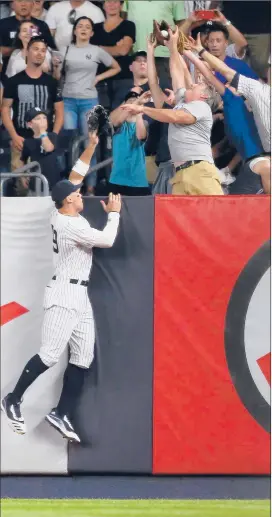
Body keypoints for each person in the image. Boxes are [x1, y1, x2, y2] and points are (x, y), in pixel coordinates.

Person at [1, 133, 122, 443]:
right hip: (64, 294)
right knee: (51, 354)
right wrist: (114, 215)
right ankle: (13, 398)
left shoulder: (60, 211)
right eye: (78, 194)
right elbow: (107, 240)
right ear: (69, 200)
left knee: (83, 358)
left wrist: (92, 146)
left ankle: (61, 412)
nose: (82, 195)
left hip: (78, 296)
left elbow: (73, 177)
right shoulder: (72, 224)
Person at [122, 28, 223, 196]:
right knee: (176, 220)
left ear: (204, 95)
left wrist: (143, 108)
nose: (193, 83)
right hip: (180, 172)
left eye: (198, 85)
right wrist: (172, 47)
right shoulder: (184, 101)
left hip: (199, 170)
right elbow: (177, 71)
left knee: (214, 217)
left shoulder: (201, 107)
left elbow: (176, 116)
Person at [184, 37, 270, 194]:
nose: (228, 86)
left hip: (260, 163)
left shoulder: (235, 99)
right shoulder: (236, 105)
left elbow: (211, 76)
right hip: (250, 163)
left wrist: (191, 54)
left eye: (231, 85)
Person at [194, 34, 271, 157]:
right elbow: (222, 72)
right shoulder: (257, 90)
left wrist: (199, 51)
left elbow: (219, 74)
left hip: (259, 157)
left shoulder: (242, 95)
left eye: (218, 40)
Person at [1, 36, 64, 175]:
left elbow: (59, 111)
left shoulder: (52, 83)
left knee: (46, 183)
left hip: (44, 141)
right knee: (19, 185)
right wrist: (13, 135)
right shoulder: (13, 81)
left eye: (43, 50)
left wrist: (53, 135)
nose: (39, 53)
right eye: (36, 49)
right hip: (21, 140)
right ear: (27, 52)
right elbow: (5, 109)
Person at [123, 0, 185, 84]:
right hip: (136, 56)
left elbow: (181, 25)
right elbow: (122, 18)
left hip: (165, 56)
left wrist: (173, 45)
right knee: (138, 95)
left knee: (165, 94)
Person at [91, 0, 136, 109]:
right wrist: (115, 47)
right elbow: (90, 52)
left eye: (115, 2)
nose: (112, 5)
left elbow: (123, 50)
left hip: (123, 78)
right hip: (100, 79)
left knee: (121, 115)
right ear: (103, 6)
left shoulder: (128, 25)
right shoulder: (95, 28)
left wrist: (99, 49)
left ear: (121, 6)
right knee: (101, 117)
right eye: (108, 2)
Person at [0, 0, 56, 79]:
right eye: (19, 1)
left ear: (33, 4)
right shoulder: (2, 25)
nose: (23, 4)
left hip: (38, 77)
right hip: (8, 76)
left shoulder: (41, 25)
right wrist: (21, 49)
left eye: (27, 1)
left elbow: (50, 49)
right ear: (13, 4)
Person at [109, 89, 150, 195]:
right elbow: (117, 121)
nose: (132, 104)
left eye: (134, 102)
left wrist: (139, 113)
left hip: (138, 180)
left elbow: (140, 136)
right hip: (117, 179)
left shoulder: (144, 123)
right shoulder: (119, 124)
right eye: (130, 102)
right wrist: (137, 102)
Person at [20, 106, 62, 192]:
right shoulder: (28, 142)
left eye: (44, 118)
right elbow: (23, 160)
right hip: (35, 184)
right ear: (30, 124)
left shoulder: (52, 136)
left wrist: (42, 131)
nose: (43, 120)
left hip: (53, 184)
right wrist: (23, 176)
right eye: (38, 118)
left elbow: (48, 148)